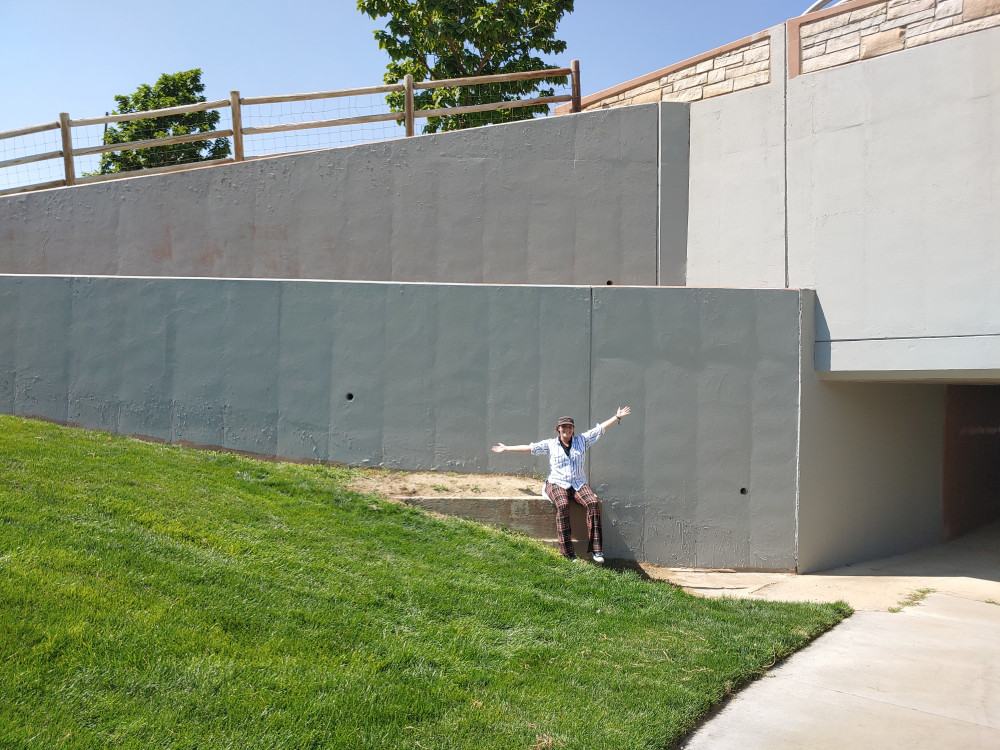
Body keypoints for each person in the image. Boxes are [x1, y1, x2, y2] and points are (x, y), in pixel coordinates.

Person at [492, 406, 630, 564]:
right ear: (558, 429)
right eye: (564, 427)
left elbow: (599, 430)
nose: (567, 430)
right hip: (556, 483)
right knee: (563, 505)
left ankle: (596, 550)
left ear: (573, 429)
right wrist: (507, 448)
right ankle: (568, 553)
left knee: (592, 503)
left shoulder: (582, 440)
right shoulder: (550, 444)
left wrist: (617, 417)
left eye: (570, 427)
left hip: (578, 483)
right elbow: (529, 448)